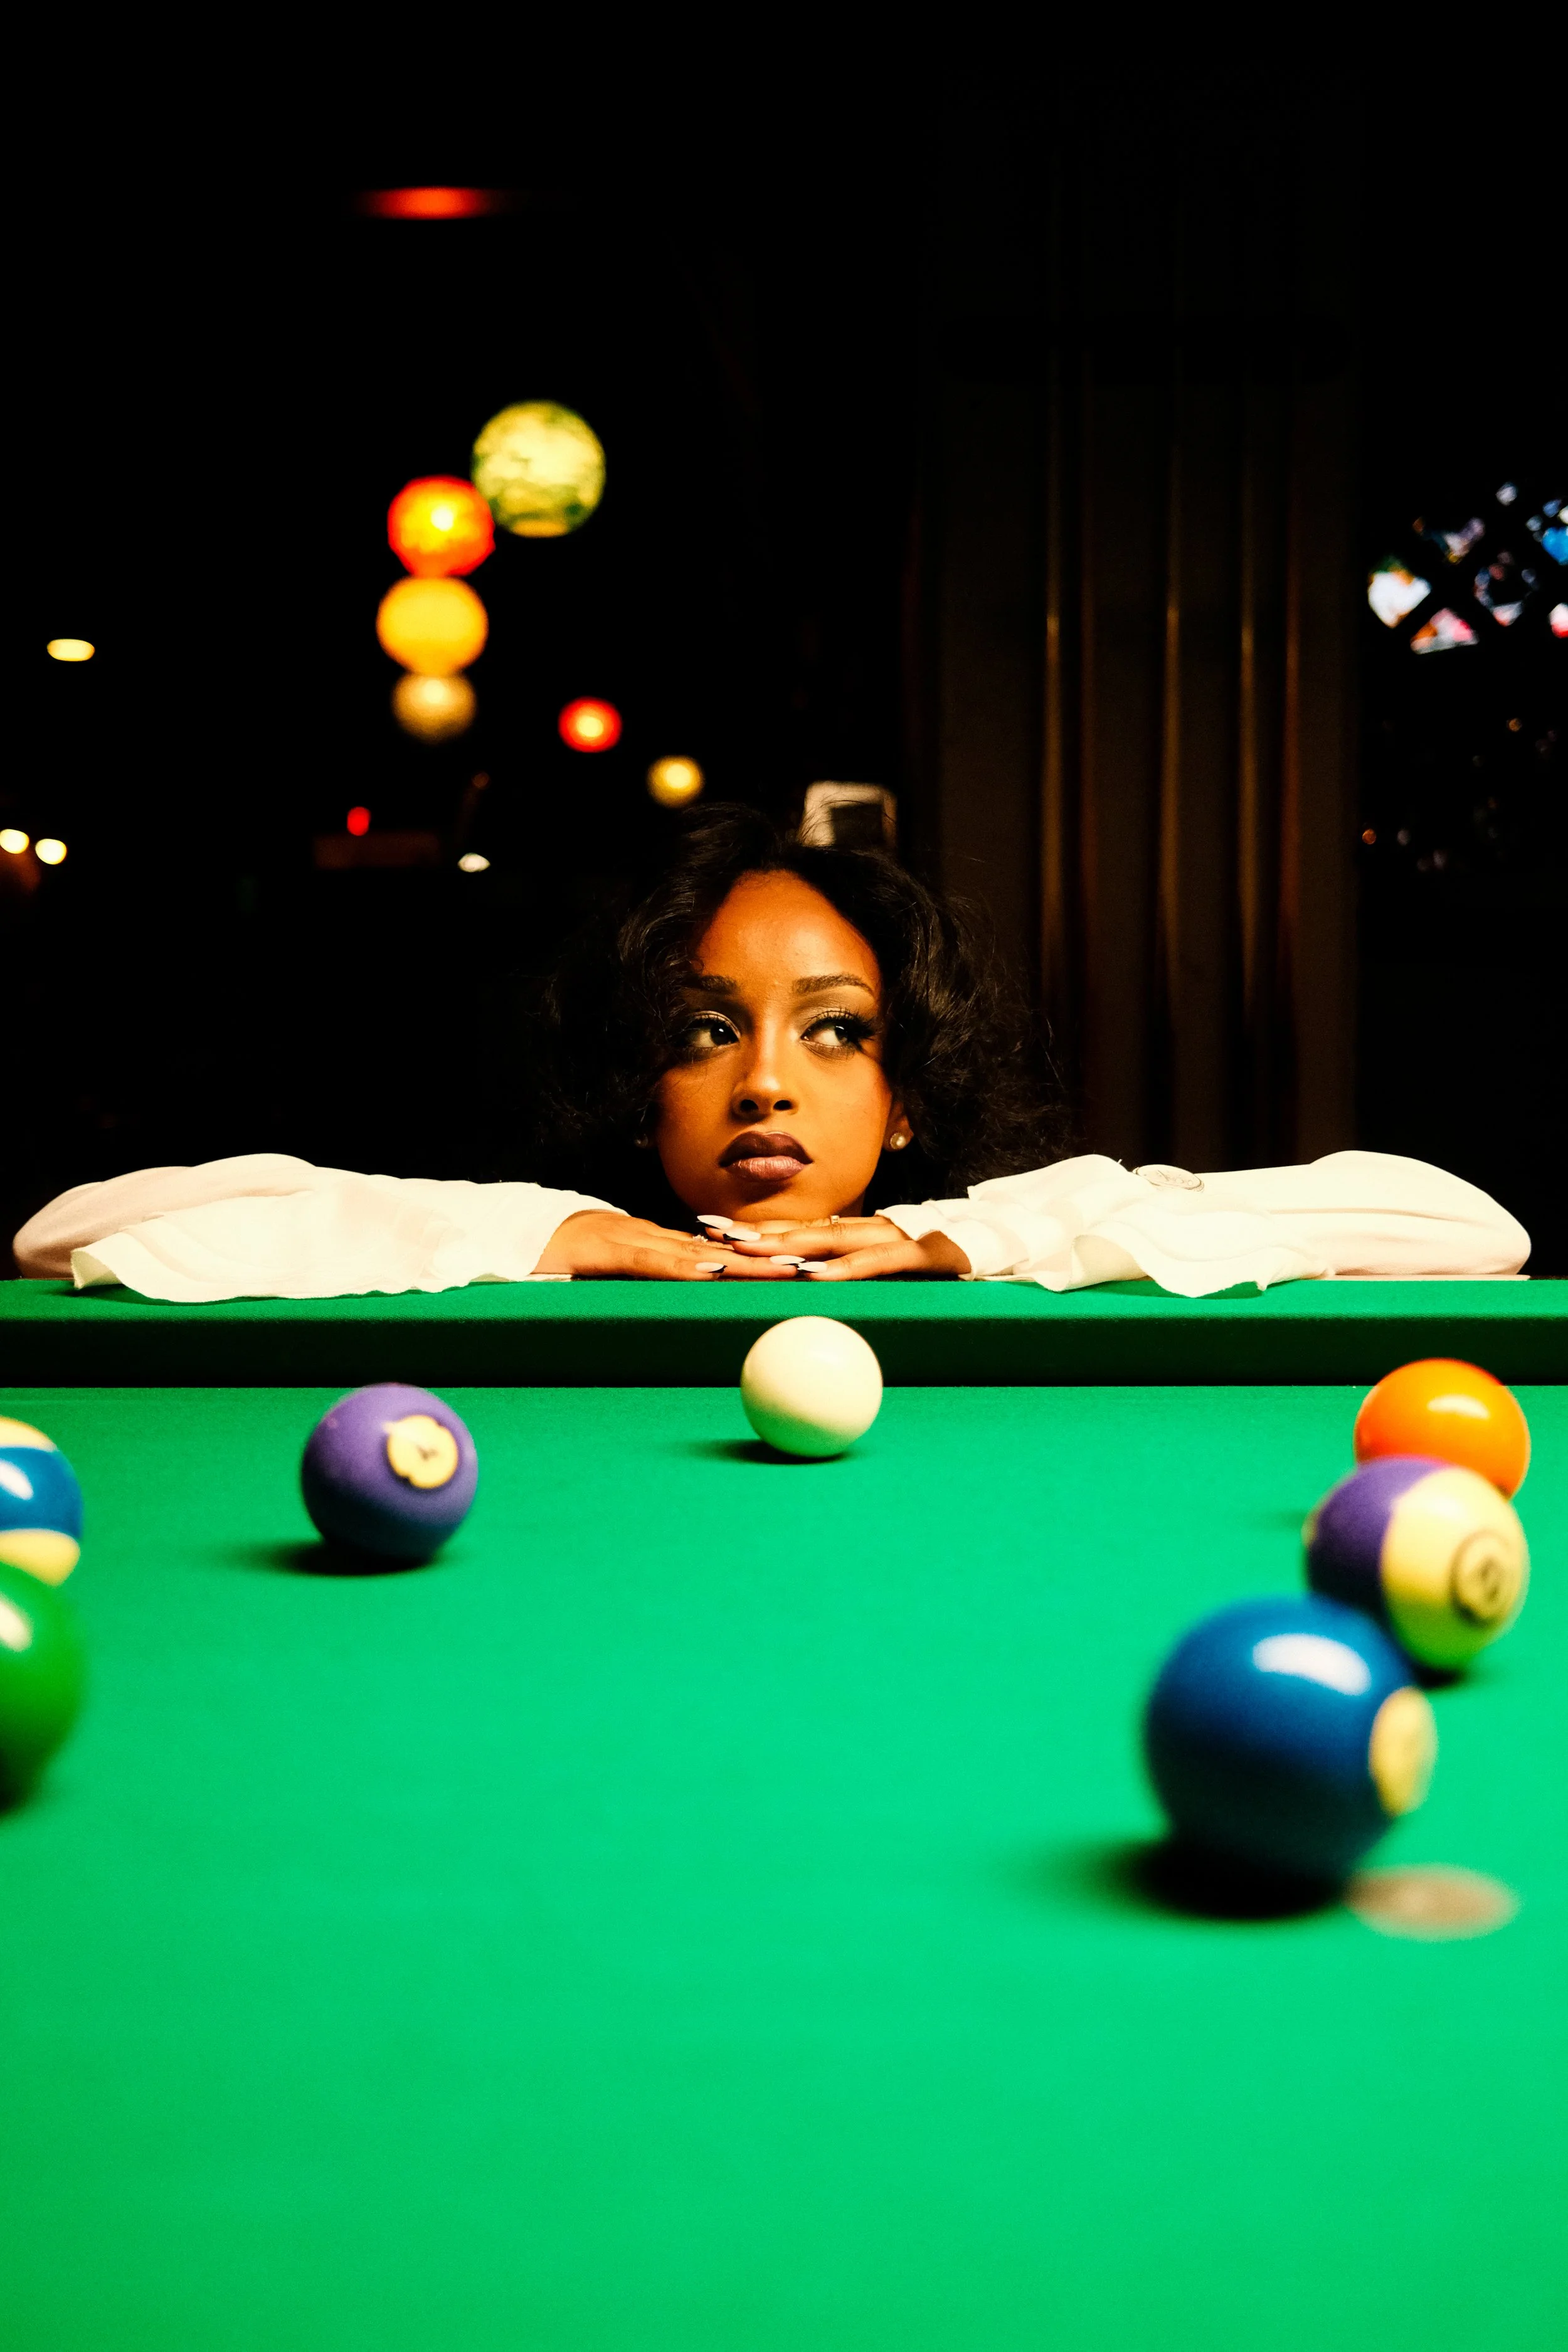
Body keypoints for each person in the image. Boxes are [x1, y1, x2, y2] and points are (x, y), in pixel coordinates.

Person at [13, 807, 1529, 1301]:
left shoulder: (1006, 1238)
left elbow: (1473, 1227)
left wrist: (985, 1239)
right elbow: (66, 1231)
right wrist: (532, 1232)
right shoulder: (551, 1246)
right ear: (640, 1086)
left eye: (833, 1031)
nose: (763, 1082)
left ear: (905, 1094)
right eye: (704, 1029)